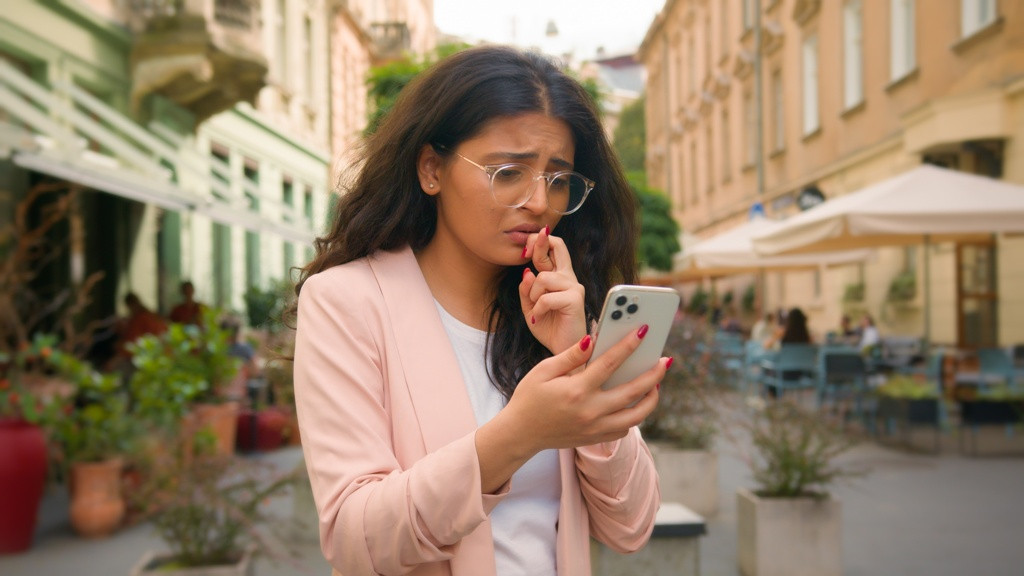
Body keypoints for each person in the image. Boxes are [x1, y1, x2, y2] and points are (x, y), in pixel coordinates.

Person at [291, 46, 664, 576]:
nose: (539, 201)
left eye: (559, 180)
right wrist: (519, 434)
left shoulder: (559, 310)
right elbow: (356, 540)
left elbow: (631, 526)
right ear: (431, 169)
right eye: (508, 171)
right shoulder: (348, 302)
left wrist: (581, 362)